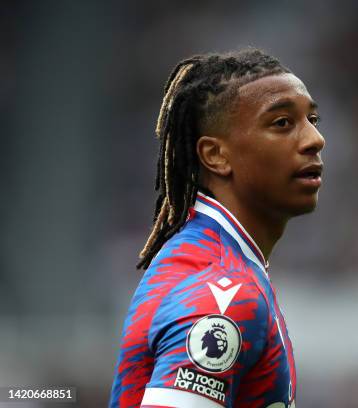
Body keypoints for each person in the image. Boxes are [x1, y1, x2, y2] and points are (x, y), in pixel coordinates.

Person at [109, 48, 325, 408]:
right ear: (216, 155)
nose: (315, 140)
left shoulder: (216, 262)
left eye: (313, 119)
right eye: (282, 123)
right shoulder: (222, 295)